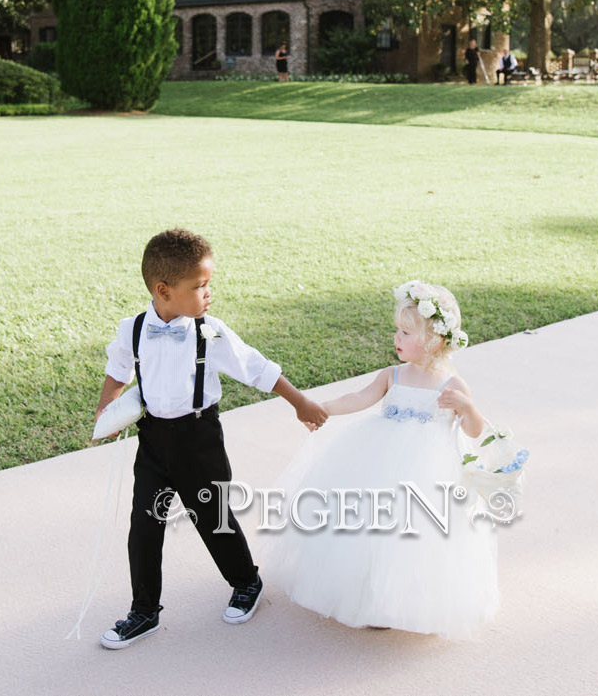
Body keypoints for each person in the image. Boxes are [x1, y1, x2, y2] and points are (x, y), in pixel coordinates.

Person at [95, 228, 328, 649]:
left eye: (208, 284)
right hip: (153, 442)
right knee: (144, 526)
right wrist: (106, 409)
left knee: (212, 517)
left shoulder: (209, 330)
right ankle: (144, 610)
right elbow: (117, 368)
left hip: (199, 437)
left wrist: (299, 402)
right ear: (163, 290)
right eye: (199, 286)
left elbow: (256, 367)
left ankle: (246, 582)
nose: (208, 294)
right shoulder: (133, 329)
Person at [261, 282, 499, 637]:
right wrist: (325, 408)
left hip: (426, 472)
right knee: (368, 527)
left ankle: (407, 600)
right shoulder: (393, 375)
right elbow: (359, 398)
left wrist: (467, 407)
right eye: (397, 330)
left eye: (405, 332)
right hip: (377, 459)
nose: (396, 337)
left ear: (433, 341)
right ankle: (369, 597)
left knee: (413, 535)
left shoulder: (451, 385)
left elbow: (475, 430)